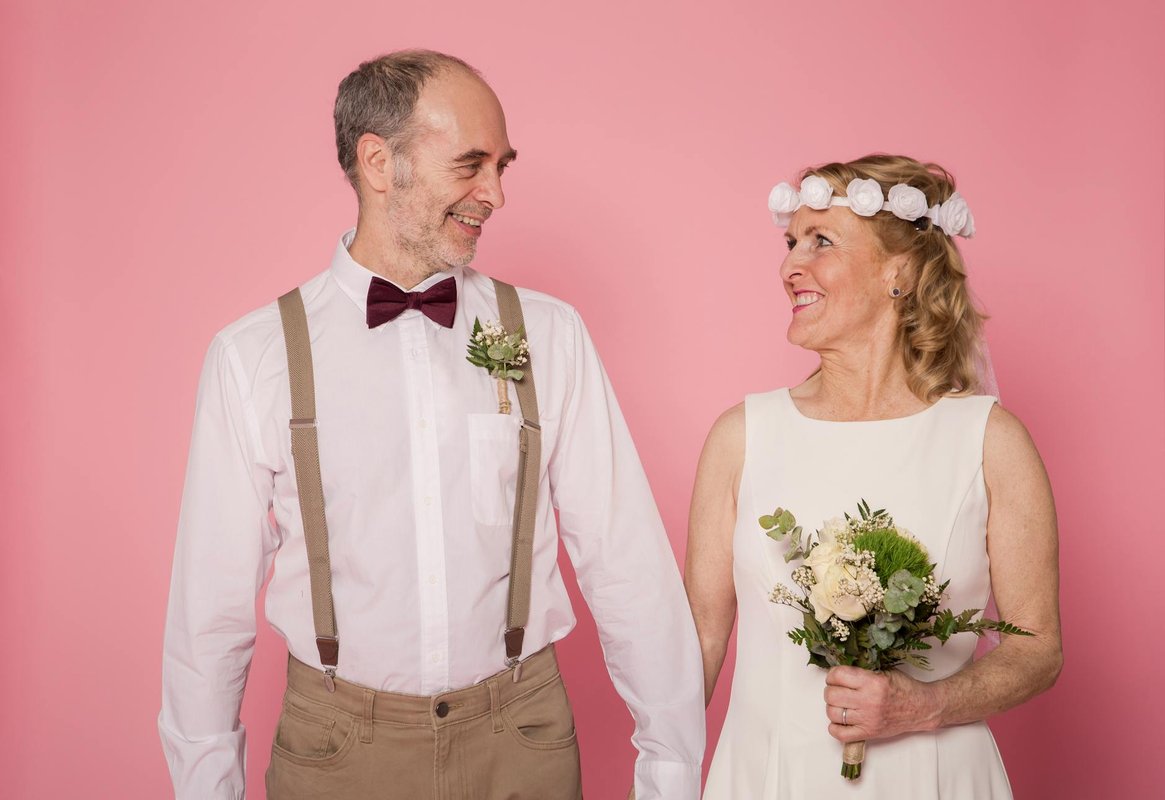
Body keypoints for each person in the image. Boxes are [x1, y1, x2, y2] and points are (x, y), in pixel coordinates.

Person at [159, 50, 704, 800]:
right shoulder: (251, 356)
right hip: (336, 752)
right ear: (379, 163)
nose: (496, 194)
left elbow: (625, 562)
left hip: (521, 740)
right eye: (471, 165)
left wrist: (670, 774)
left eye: (503, 167)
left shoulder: (549, 332)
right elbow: (208, 612)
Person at [686, 155, 1062, 798]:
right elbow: (700, 639)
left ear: (900, 274)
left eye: (821, 241)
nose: (789, 265)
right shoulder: (740, 436)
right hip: (768, 774)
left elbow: (1037, 649)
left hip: (933, 776)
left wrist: (924, 706)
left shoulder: (990, 442)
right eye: (790, 242)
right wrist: (659, 769)